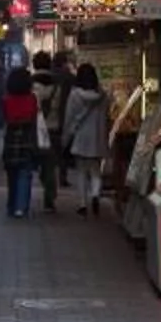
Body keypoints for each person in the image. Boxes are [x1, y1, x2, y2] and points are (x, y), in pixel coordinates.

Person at [61, 63, 111, 214]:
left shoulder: (75, 95)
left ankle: (82, 204)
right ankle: (95, 194)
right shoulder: (102, 95)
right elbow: (107, 113)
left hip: (80, 136)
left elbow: (69, 116)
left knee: (81, 171)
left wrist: (66, 135)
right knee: (96, 170)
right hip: (98, 136)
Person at [0, 66, 44, 218]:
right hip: (27, 140)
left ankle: (11, 205)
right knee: (25, 174)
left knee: (11, 176)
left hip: (11, 142)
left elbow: (4, 119)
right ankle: (21, 207)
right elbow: (33, 118)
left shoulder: (6, 100)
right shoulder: (32, 99)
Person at [29, 50, 65, 212]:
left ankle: (24, 196)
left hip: (34, 129)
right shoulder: (57, 84)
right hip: (53, 128)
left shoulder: (29, 83)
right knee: (50, 165)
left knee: (34, 163)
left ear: (34, 64)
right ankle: (50, 198)